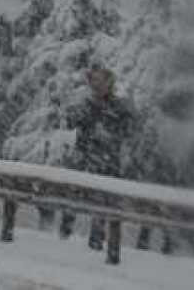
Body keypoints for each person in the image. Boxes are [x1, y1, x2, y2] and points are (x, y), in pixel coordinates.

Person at [60, 64, 134, 263]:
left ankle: (96, 241)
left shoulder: (119, 107)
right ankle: (63, 235)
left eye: (101, 81)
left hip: (107, 163)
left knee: (101, 203)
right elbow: (69, 121)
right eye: (94, 81)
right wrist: (81, 109)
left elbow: (127, 131)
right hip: (83, 160)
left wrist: (108, 135)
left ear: (110, 83)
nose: (97, 85)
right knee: (73, 195)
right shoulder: (85, 104)